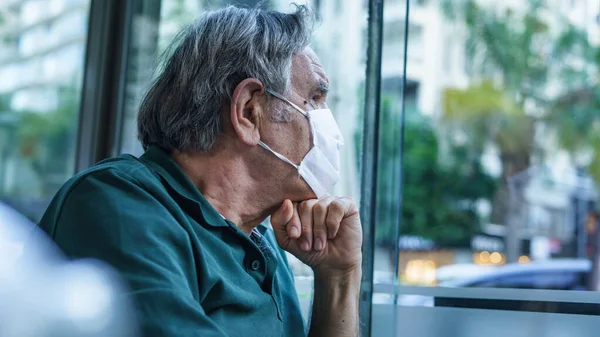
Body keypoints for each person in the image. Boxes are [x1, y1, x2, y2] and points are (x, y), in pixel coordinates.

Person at [37, 5, 362, 337]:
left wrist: (338, 277)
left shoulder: (268, 247)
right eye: (315, 99)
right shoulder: (117, 203)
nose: (331, 128)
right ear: (249, 112)